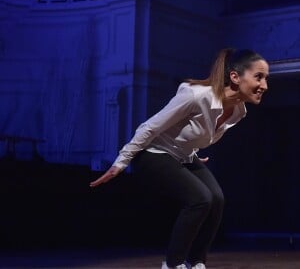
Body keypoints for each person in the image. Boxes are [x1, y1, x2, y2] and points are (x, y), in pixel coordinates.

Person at [90, 48, 269, 269]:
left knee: (217, 200)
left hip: (183, 155)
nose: (264, 85)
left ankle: (196, 263)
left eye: (266, 78)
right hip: (153, 153)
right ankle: (173, 265)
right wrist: (121, 161)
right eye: (258, 77)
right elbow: (150, 127)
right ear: (234, 76)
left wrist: (191, 152)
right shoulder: (196, 95)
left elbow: (189, 131)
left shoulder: (238, 111)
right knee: (200, 198)